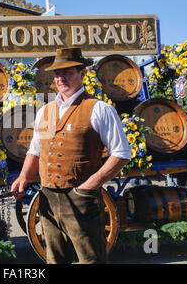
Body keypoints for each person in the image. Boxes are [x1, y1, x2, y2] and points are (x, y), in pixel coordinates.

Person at [11, 47, 131, 264]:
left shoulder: (99, 109)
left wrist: (91, 184)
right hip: (47, 198)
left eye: (68, 72)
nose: (61, 78)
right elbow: (35, 151)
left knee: (90, 259)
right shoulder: (44, 111)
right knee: (55, 260)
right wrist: (23, 177)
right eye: (57, 73)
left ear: (82, 73)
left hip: (82, 198)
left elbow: (121, 153)